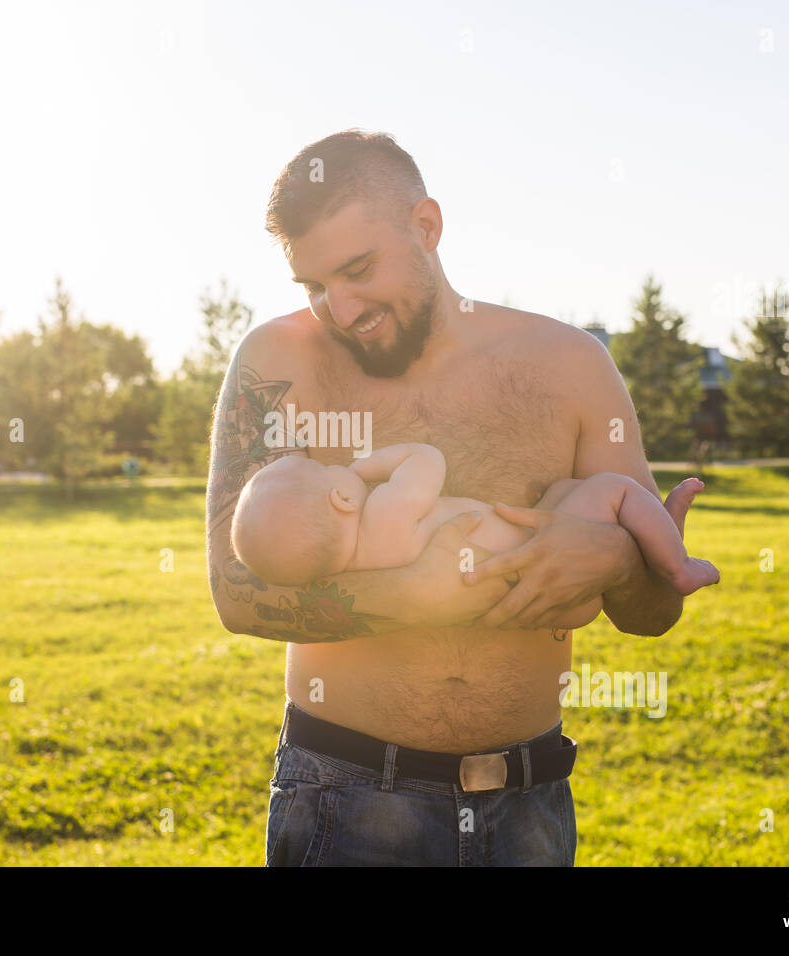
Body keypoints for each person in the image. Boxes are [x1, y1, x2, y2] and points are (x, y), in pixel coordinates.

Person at [206, 129, 691, 866]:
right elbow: (236, 593)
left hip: (529, 804)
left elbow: (655, 610)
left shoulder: (571, 366)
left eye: (358, 269)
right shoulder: (277, 363)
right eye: (313, 285)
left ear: (426, 226)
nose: (338, 306)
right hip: (345, 797)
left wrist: (619, 566)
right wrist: (427, 591)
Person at [229, 442, 720, 605]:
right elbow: (428, 461)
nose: (337, 467)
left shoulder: (357, 565)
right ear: (340, 497)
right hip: (536, 541)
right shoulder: (384, 513)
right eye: (327, 470)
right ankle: (675, 562)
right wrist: (371, 465)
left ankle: (663, 543)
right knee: (613, 489)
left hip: (516, 558)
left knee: (565, 494)